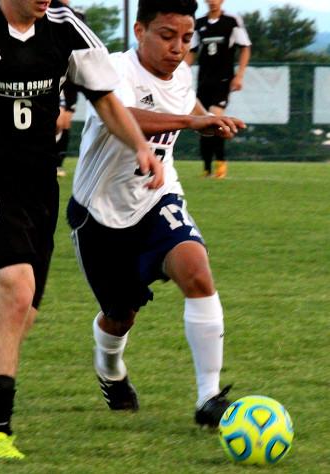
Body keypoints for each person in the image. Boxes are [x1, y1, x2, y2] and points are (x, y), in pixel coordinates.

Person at [0, 0, 163, 460]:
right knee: (16, 290)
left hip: (39, 187)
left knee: (9, 319)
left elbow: (104, 97)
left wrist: (140, 145)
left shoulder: (65, 27)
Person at [67, 0, 245, 428]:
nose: (178, 48)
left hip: (156, 199)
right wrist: (189, 121)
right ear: (139, 29)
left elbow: (186, 102)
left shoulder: (182, 72)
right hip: (100, 214)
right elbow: (121, 117)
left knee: (197, 270)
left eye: (186, 38)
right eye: (166, 36)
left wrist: (209, 118)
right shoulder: (111, 69)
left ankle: (209, 399)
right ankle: (111, 371)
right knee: (120, 314)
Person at [188, 0, 251, 178]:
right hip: (203, 81)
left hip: (223, 80)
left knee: (215, 119)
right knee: (203, 122)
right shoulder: (198, 23)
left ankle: (221, 165)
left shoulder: (231, 21)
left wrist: (239, 75)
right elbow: (191, 51)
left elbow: (245, 48)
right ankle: (207, 169)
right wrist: (180, 74)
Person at [55, 0, 86, 177]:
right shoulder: (45, 12)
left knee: (65, 121)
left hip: (71, 78)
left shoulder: (77, 15)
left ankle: (58, 162)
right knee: (56, 120)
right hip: (55, 74)